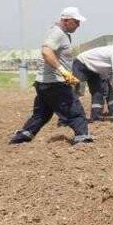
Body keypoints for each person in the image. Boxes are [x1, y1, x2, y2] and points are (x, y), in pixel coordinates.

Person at [10, 7, 93, 145]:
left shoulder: (63, 34)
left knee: (42, 114)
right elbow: (46, 52)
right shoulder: (57, 33)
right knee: (75, 111)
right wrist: (64, 71)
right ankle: (82, 138)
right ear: (66, 20)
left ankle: (22, 137)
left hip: (44, 83)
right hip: (55, 84)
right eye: (76, 22)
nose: (78, 25)